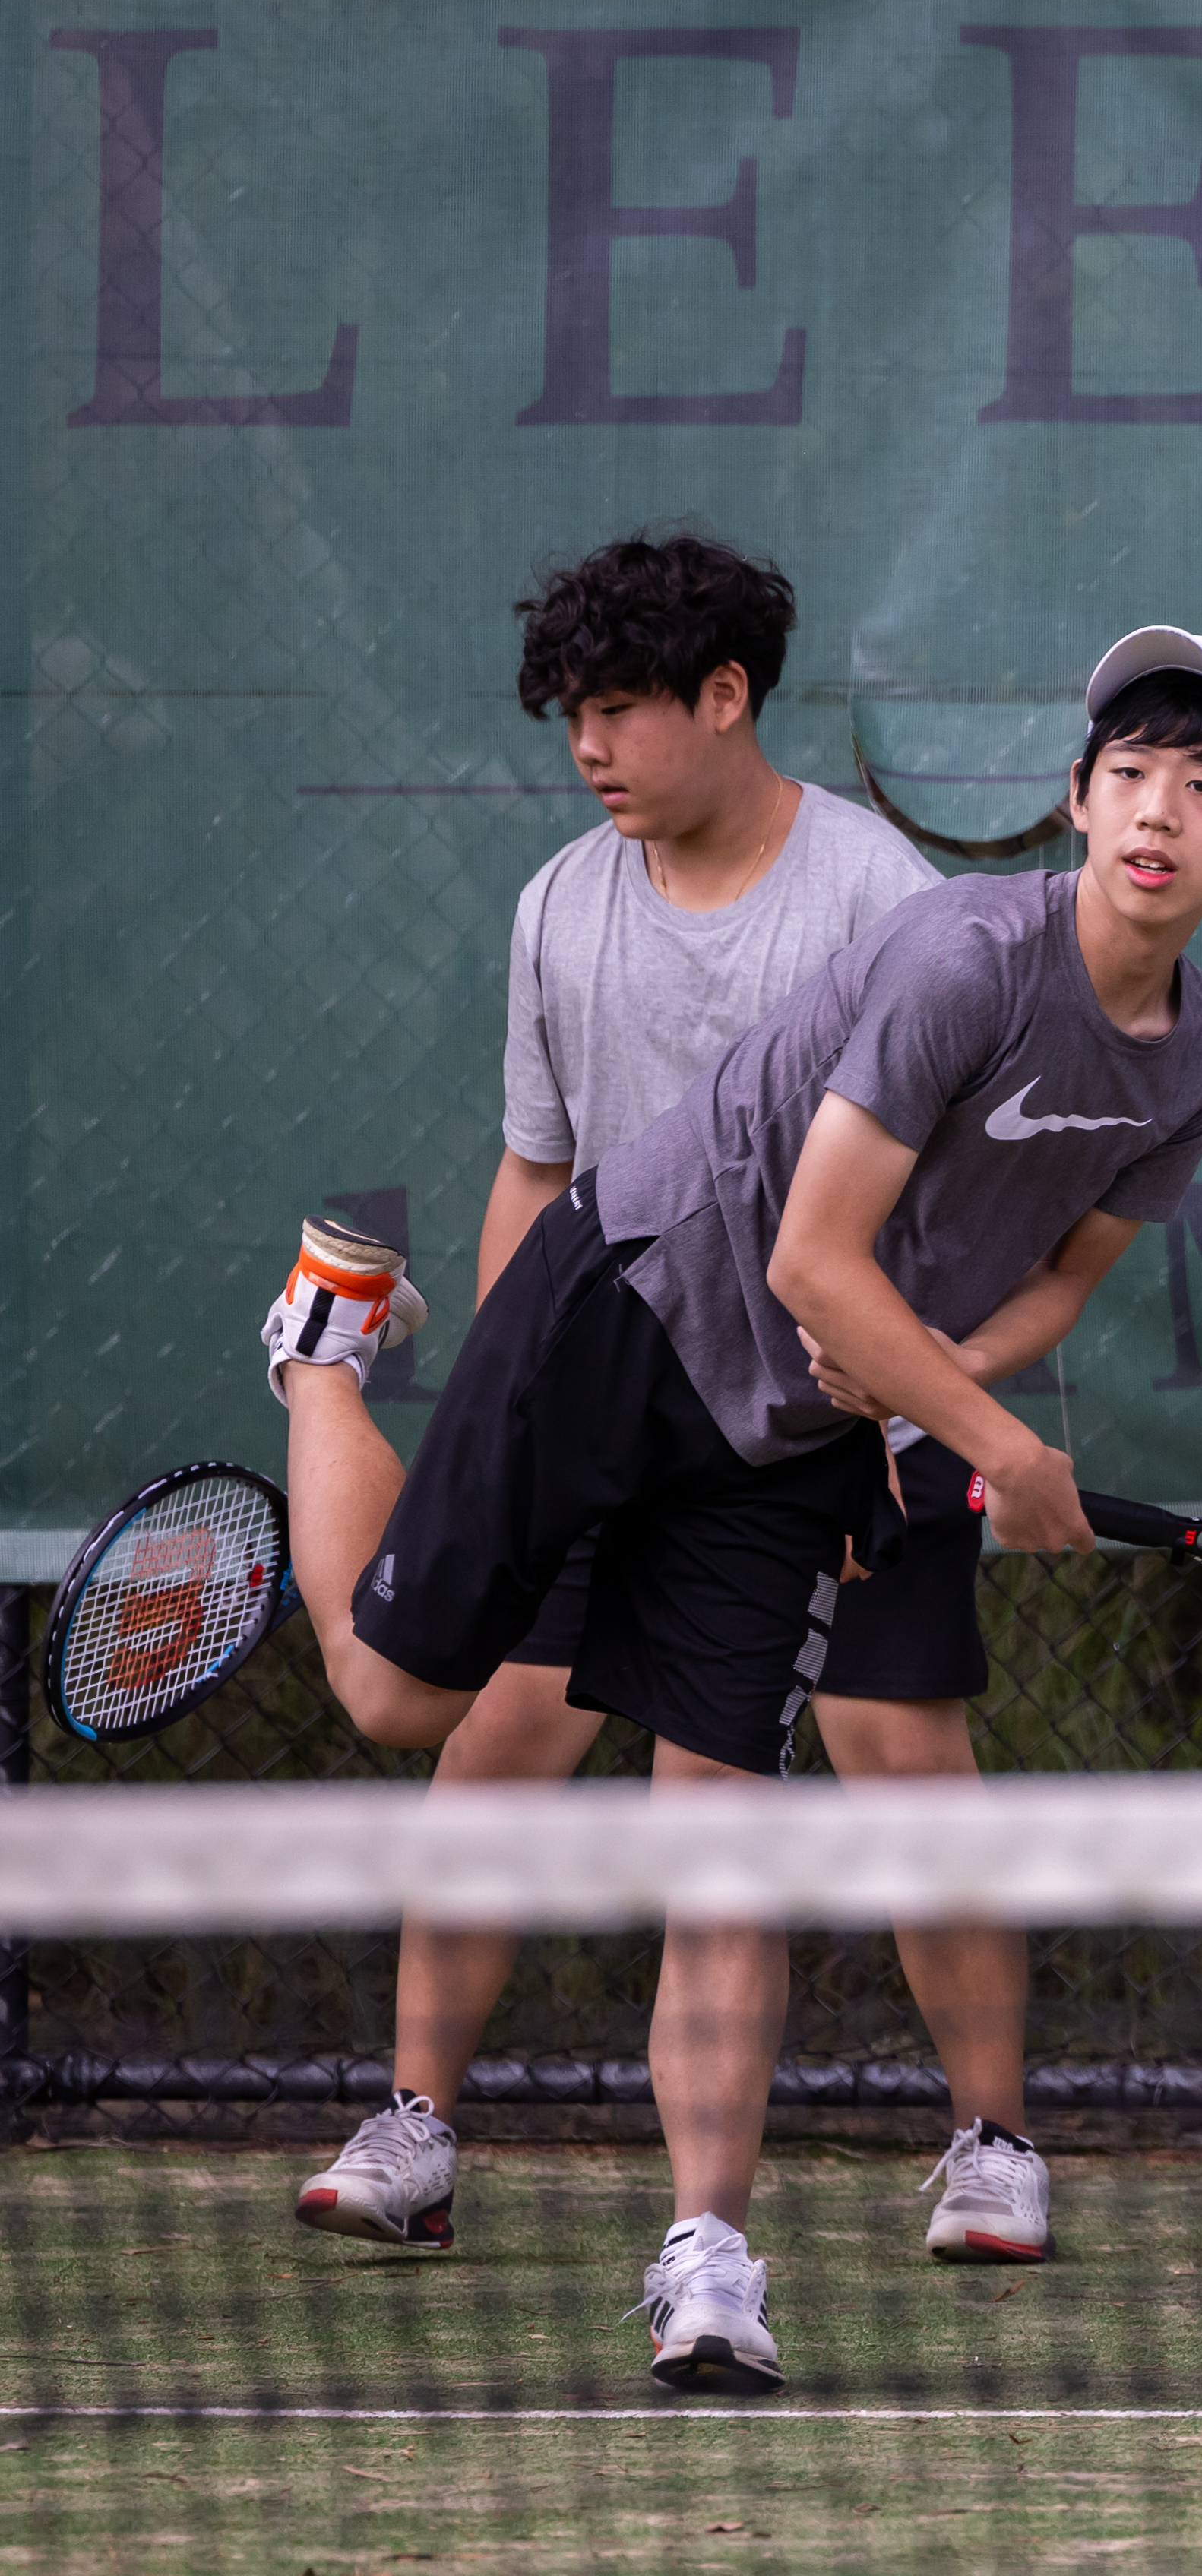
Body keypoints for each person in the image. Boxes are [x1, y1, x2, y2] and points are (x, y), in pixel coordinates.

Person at [264, 625, 1202, 2393]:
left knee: (724, 1825)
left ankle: (711, 2253)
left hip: (796, 1419)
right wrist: (993, 1442)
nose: (1158, 811)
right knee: (396, 1693)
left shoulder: (1200, 1056)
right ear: (1074, 796)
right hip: (637, 1304)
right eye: (1129, 773)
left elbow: (1053, 1278)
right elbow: (816, 1251)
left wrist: (921, 1403)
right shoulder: (967, 953)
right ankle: (318, 1351)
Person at [289, 534, 1063, 2276]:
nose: (590, 743)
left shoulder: (880, 904)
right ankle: (415, 2124)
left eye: (624, 706)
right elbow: (535, 1169)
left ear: (728, 698)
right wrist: (514, 1390)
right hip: (611, 1389)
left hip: (836, 1426)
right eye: (575, 710)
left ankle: (992, 2140)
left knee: (895, 1747)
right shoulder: (561, 903)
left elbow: (940, 1206)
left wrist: (907, 1414)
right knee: (486, 1743)